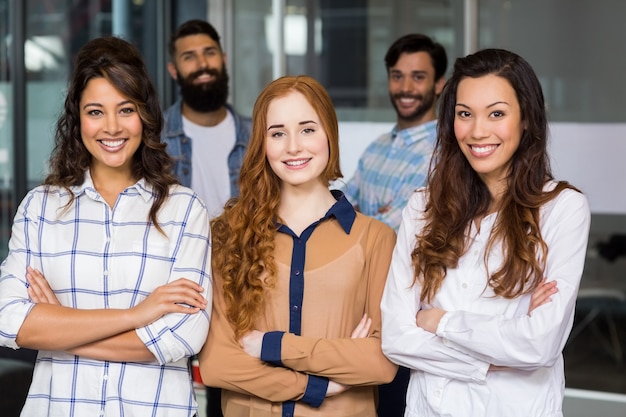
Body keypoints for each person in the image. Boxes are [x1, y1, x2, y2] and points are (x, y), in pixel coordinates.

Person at [0, 36, 211, 417]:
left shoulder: (184, 210)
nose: (111, 127)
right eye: (95, 111)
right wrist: (138, 314)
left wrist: (61, 327)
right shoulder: (39, 209)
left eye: (125, 109)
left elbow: (182, 336)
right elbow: (9, 320)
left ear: (144, 114)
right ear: (77, 117)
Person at [380, 48, 591, 417]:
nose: (478, 131)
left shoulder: (562, 208)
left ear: (526, 118)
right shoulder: (422, 207)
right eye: (465, 114)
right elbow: (397, 338)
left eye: (496, 113)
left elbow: (539, 345)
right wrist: (491, 357)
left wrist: (439, 321)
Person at [198, 75, 398, 417]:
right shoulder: (229, 235)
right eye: (278, 133)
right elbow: (218, 364)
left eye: (307, 129)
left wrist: (271, 346)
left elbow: (380, 363)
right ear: (263, 143)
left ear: (329, 135)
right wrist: (318, 384)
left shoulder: (376, 238)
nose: (293, 146)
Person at [342, 33, 447, 231]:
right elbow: (335, 207)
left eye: (418, 77)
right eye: (397, 76)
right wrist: (369, 217)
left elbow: (384, 232)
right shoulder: (377, 146)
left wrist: (357, 215)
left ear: (438, 84)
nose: (405, 88)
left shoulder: (441, 154)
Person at [162, 19, 252, 218]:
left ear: (223, 58)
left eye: (209, 53)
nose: (202, 64)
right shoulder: (154, 137)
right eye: (189, 57)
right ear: (173, 70)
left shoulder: (258, 135)